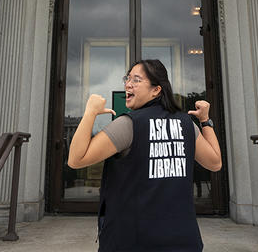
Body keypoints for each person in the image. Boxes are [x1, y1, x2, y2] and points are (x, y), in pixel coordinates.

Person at [68, 59, 222, 251]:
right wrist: (205, 121)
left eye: (137, 79)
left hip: (132, 241)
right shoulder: (186, 125)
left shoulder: (128, 125)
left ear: (156, 90)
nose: (128, 84)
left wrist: (90, 112)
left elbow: (76, 159)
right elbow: (215, 163)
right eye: (127, 78)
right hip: (183, 240)